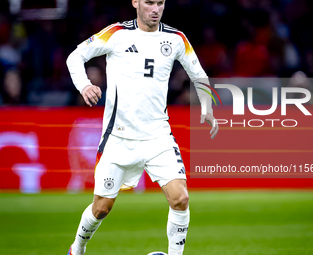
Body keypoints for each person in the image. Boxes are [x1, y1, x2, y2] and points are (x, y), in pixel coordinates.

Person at [66, 0, 218, 254]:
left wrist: (207, 105)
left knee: (180, 198)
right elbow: (75, 57)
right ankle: (78, 248)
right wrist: (84, 85)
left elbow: (197, 72)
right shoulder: (117, 34)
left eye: (160, 3)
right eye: (149, 2)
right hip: (119, 138)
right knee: (102, 207)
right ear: (136, 2)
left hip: (158, 136)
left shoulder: (177, 38)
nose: (155, 9)